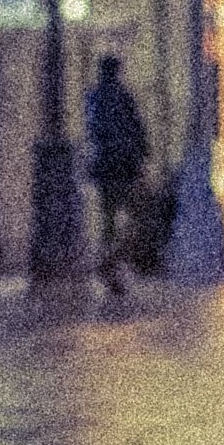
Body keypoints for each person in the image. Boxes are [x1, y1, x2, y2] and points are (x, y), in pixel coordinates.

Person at [85, 55, 149, 296]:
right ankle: (111, 262)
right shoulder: (121, 97)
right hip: (122, 166)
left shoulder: (95, 98)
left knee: (110, 219)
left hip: (107, 167)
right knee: (128, 217)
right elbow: (137, 130)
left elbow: (94, 131)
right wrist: (141, 156)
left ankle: (109, 262)